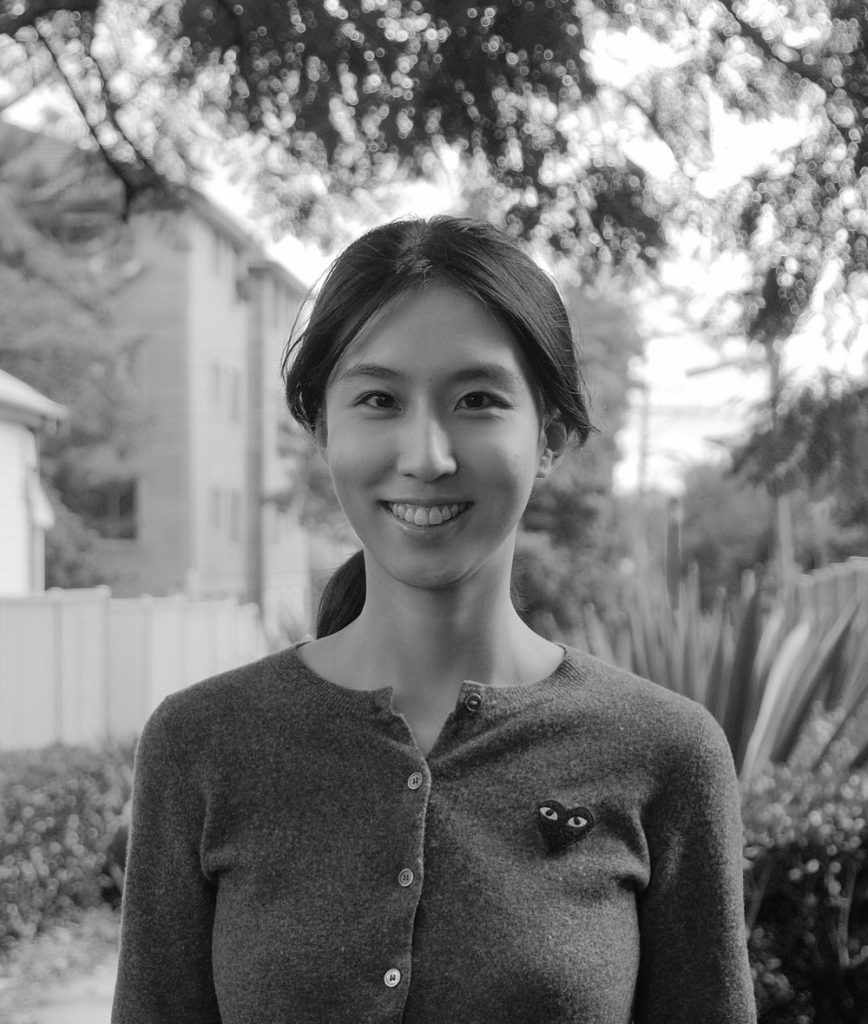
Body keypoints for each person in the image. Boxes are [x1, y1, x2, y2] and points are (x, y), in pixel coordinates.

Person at [112, 216, 756, 1024]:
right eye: (378, 399)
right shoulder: (202, 743)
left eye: (478, 400)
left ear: (550, 435)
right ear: (322, 427)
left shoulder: (666, 754)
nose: (427, 455)